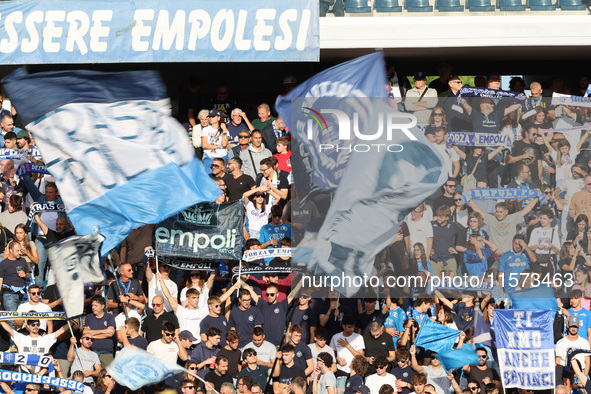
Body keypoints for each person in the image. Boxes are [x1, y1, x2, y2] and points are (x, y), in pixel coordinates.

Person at [158, 272, 207, 342]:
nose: (196, 300)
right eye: (193, 298)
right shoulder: (181, 311)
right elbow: (168, 296)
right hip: (183, 344)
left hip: (198, 344)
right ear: (187, 299)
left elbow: (218, 301)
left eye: (197, 297)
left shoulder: (202, 311)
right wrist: (161, 280)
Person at [330, 315, 365, 391]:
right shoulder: (335, 337)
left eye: (353, 327)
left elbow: (361, 356)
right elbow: (331, 354)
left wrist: (347, 345)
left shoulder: (358, 337)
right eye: (349, 327)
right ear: (343, 326)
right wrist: (337, 358)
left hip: (355, 372)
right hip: (341, 371)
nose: (352, 329)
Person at [555, 316, 591, 385]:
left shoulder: (584, 342)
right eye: (572, 326)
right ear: (568, 325)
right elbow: (558, 361)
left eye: (575, 326)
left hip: (581, 373)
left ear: (579, 326)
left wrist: (583, 377)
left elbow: (587, 362)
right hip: (565, 374)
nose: (573, 329)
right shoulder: (560, 343)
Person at [83, 295, 116, 367]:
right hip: (91, 351)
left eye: (96, 305)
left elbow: (110, 334)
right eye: (92, 305)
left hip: (106, 351)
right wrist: (104, 331)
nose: (93, 307)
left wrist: (92, 335)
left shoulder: (109, 317)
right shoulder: (89, 317)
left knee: (107, 375)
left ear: (102, 306)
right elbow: (85, 332)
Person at [0, 240, 30, 311]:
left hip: (23, 294)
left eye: (20, 250)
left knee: (24, 320)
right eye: (17, 251)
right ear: (11, 250)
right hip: (9, 295)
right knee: (12, 320)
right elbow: (0, 282)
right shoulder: (3, 264)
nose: (19, 252)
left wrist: (24, 275)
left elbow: (28, 276)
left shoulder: (23, 260)